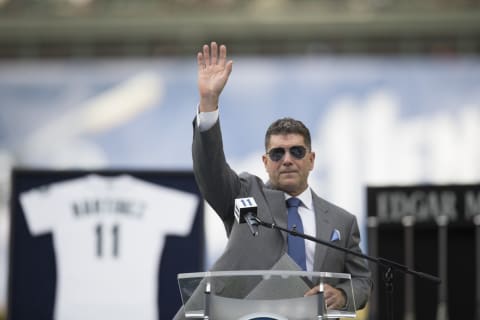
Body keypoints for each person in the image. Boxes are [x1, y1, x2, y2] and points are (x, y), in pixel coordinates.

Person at [175, 41, 372, 319]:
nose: (287, 159)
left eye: (297, 151)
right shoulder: (244, 195)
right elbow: (210, 170)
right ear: (265, 162)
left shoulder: (342, 222)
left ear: (312, 159)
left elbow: (363, 283)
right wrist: (209, 104)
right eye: (277, 153)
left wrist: (340, 295)